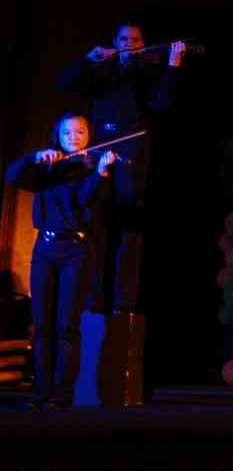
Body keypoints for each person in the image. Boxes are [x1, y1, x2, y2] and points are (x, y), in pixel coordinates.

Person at [57, 21, 187, 314]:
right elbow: (64, 83)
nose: (130, 44)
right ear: (115, 41)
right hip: (100, 145)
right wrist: (87, 59)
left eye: (136, 39)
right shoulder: (102, 69)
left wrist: (171, 67)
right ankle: (92, 301)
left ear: (143, 43)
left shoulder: (148, 72)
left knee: (129, 229)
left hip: (133, 153)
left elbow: (162, 107)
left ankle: (122, 303)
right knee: (96, 225)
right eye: (124, 39)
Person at [5, 113, 117, 409]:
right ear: (58, 136)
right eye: (67, 133)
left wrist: (100, 174)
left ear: (88, 136)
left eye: (80, 132)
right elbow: (10, 175)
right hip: (44, 249)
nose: (73, 137)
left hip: (75, 251)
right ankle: (40, 392)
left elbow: (84, 200)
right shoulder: (44, 169)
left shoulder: (89, 168)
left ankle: (61, 394)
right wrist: (34, 156)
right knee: (42, 325)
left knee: (66, 326)